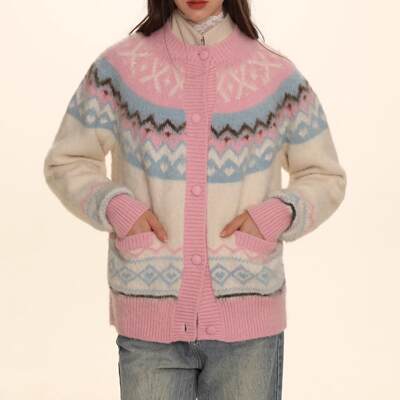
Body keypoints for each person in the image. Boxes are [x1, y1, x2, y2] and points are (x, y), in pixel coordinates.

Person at [43, 0, 347, 399]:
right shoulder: (120, 69)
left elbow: (324, 175)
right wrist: (118, 207)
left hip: (249, 324)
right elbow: (68, 160)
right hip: (149, 320)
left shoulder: (275, 75)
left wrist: (275, 215)